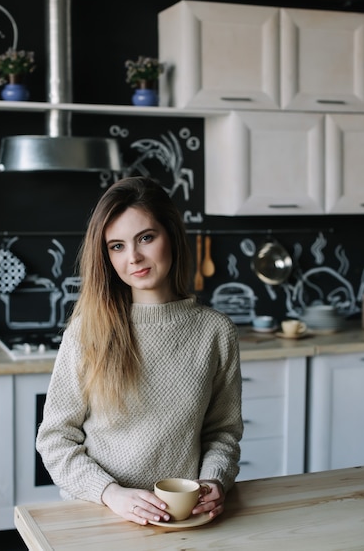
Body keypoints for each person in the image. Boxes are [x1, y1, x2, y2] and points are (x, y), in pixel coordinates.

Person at [36, 175, 243, 525]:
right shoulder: (88, 330)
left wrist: (213, 480)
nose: (133, 257)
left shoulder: (215, 331)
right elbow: (56, 439)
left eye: (146, 238)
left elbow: (222, 433)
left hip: (182, 518)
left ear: (172, 236)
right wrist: (111, 494)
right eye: (116, 246)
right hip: (99, 512)